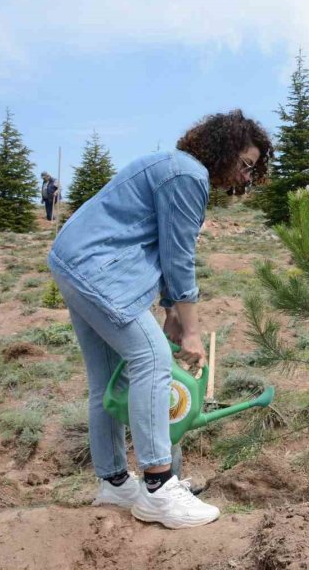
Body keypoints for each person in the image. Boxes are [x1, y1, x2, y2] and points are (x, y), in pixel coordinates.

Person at [48, 110, 272, 528]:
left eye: (253, 169)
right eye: (245, 164)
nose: (247, 176)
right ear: (223, 151)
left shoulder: (171, 166)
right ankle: (158, 486)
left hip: (73, 263)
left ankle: (115, 482)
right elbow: (179, 257)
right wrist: (190, 330)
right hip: (97, 269)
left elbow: (163, 246)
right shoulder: (189, 176)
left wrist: (171, 311)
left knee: (107, 379)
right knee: (151, 359)